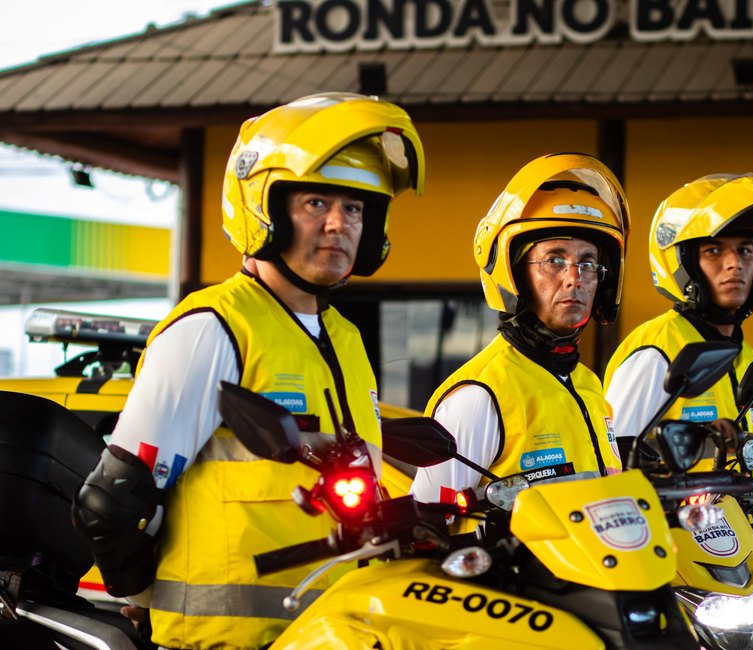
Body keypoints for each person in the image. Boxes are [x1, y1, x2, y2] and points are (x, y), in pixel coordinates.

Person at [72, 93, 424, 649]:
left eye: (355, 208)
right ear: (265, 208)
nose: (339, 224)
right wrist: (141, 604)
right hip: (221, 642)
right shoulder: (213, 328)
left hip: (329, 636)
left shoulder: (346, 339)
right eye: (316, 203)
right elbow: (112, 501)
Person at [410, 154, 628, 509]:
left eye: (587, 263)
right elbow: (430, 526)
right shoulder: (479, 395)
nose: (574, 278)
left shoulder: (587, 384)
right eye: (554, 260)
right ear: (515, 275)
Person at [603, 173, 753, 459]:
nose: (734, 264)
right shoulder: (658, 349)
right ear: (684, 264)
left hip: (729, 506)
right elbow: (615, 458)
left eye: (745, 251)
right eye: (714, 251)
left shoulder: (746, 356)